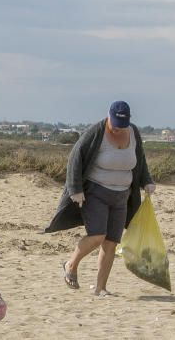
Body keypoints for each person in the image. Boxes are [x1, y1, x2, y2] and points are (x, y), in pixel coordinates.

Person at [44, 101, 156, 296]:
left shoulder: (134, 132)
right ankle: (71, 264)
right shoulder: (96, 132)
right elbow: (75, 158)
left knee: (111, 242)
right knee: (97, 235)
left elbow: (140, 158)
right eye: (114, 124)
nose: (117, 129)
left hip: (122, 195)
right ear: (108, 116)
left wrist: (146, 181)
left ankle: (100, 288)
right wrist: (75, 189)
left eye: (122, 125)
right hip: (96, 192)